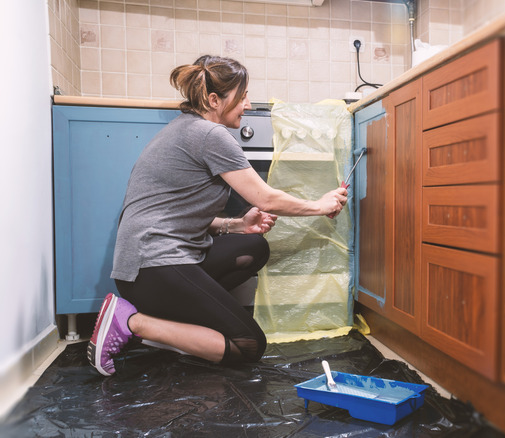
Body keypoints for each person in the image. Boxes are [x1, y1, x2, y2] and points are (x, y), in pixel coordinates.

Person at [87, 55, 348, 376]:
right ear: (214, 100)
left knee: (253, 247)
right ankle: (133, 322)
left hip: (148, 264)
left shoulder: (187, 130)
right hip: (152, 268)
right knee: (248, 344)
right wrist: (321, 206)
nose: (248, 105)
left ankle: (171, 323)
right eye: (242, 97)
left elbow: (175, 211)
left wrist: (237, 224)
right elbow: (264, 197)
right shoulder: (210, 135)